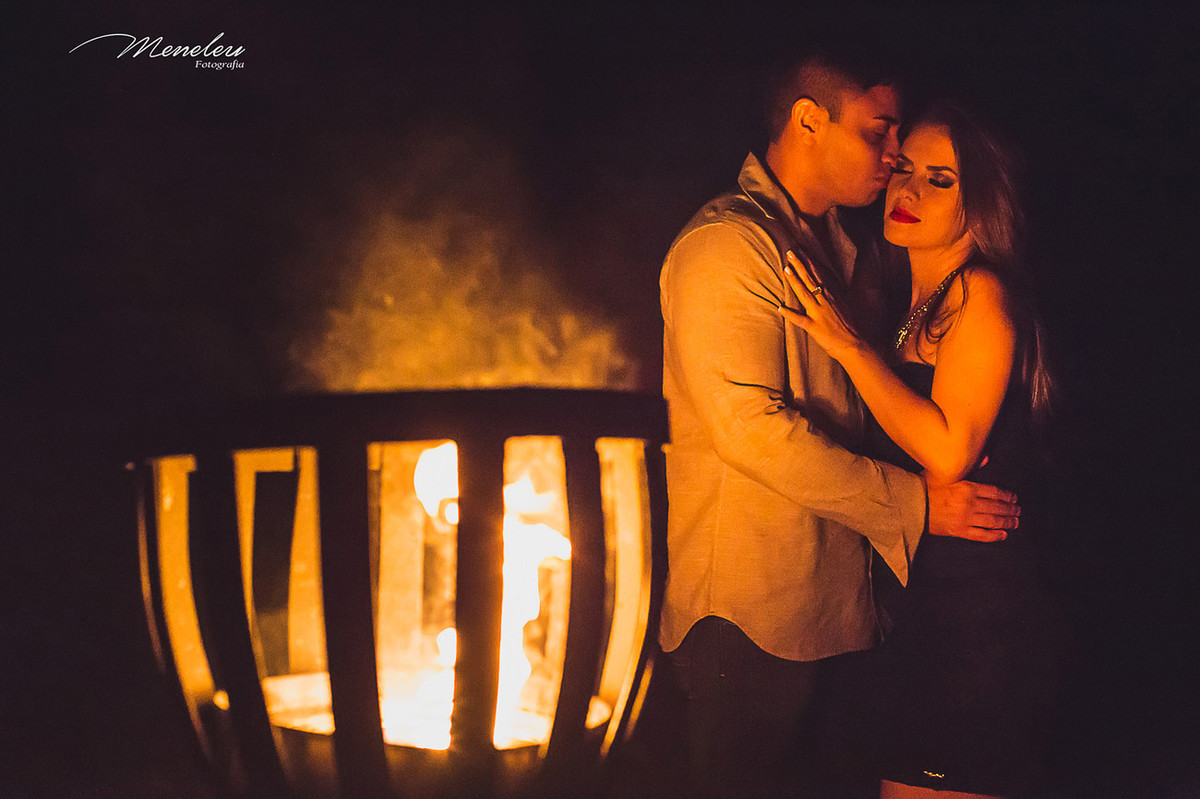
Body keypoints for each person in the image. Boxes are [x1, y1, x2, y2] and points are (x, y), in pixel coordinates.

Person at [658, 52, 1022, 798]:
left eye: (923, 166)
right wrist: (916, 502)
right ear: (807, 121)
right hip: (751, 616)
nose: (893, 164)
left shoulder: (841, 252)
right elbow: (750, 430)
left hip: (849, 613)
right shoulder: (728, 246)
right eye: (880, 135)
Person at [779, 103, 1065, 798]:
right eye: (904, 169)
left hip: (972, 626)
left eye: (941, 180)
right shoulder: (907, 300)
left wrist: (845, 346)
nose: (908, 192)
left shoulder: (980, 293)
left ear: (980, 201)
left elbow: (948, 452)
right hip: (910, 617)